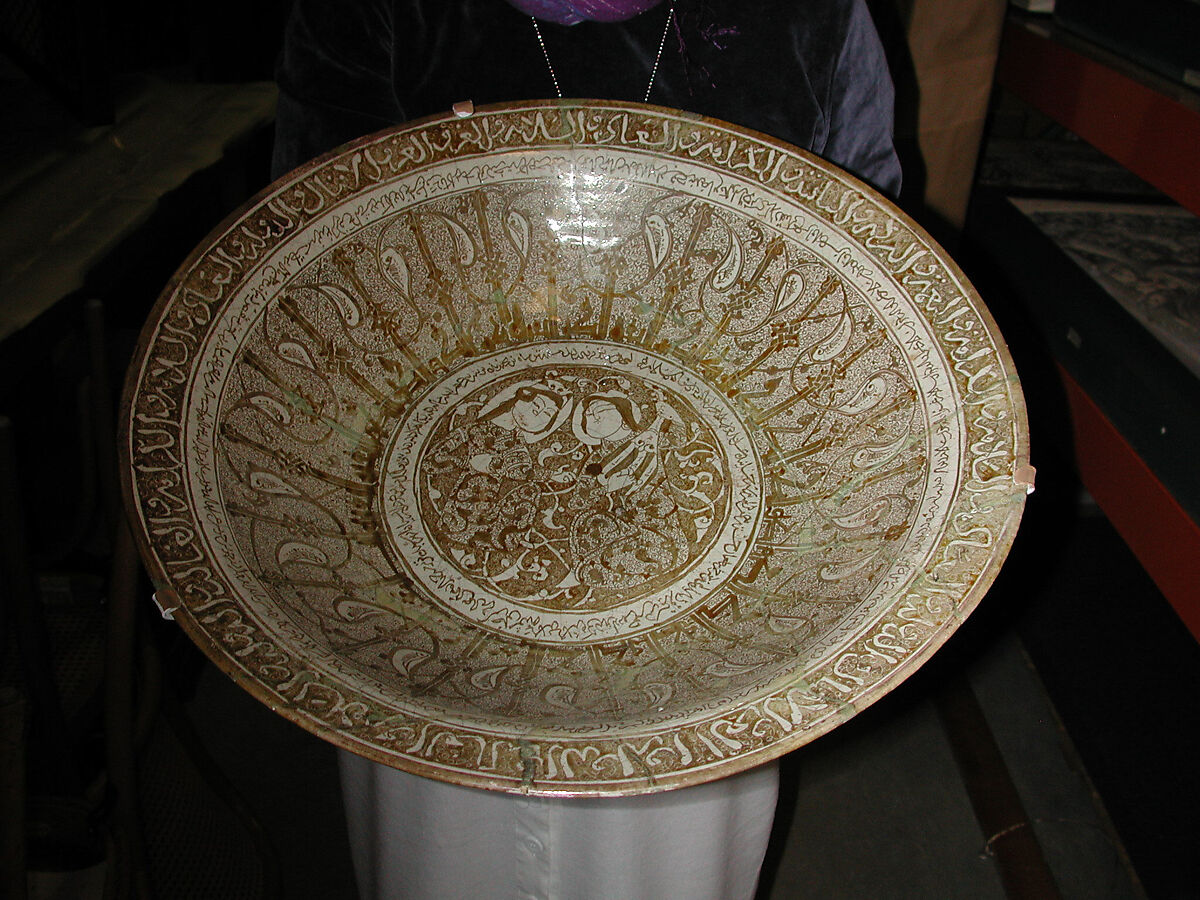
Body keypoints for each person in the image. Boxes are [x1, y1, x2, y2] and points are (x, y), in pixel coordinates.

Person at [270, 2, 901, 897]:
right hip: (431, 535)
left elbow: (863, 271)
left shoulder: (809, 17)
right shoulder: (378, 13)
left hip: (709, 539)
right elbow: (305, 266)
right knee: (447, 847)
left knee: (667, 846)